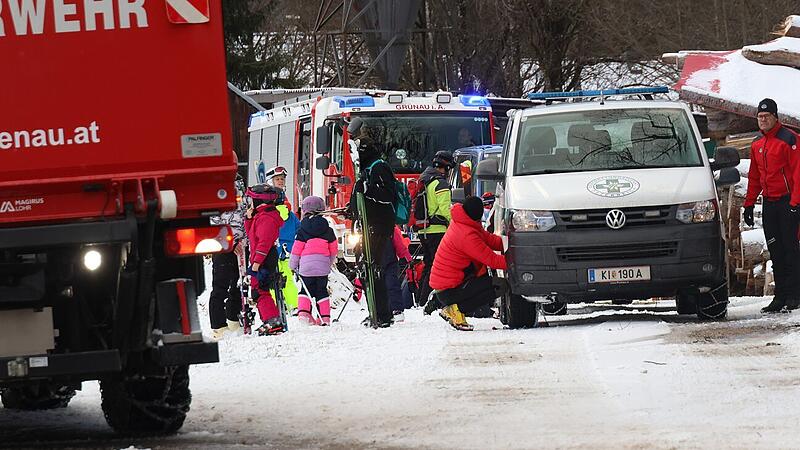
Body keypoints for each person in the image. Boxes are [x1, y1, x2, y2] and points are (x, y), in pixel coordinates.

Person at [742, 98, 800, 313]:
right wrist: (748, 204)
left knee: (791, 249)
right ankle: (780, 296)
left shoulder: (790, 139)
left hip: (788, 202)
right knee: (775, 249)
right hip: (770, 203)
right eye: (760, 117)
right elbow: (755, 176)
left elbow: (798, 172)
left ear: (776, 117)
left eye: (767, 116)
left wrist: (795, 203)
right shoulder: (757, 144)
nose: (763, 120)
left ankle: (795, 294)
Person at [430, 196, 507, 331]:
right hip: (449, 290)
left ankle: (455, 308)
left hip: (448, 285)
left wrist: (509, 244)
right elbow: (492, 260)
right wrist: (519, 262)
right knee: (500, 285)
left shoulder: (463, 222)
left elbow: (490, 240)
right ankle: (455, 310)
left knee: (489, 283)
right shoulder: (466, 235)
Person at [348, 121, 397, 327]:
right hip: (367, 224)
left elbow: (388, 196)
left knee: (375, 268)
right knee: (367, 268)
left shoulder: (379, 168)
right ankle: (376, 310)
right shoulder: (366, 170)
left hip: (378, 225)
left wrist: (368, 190)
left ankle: (383, 314)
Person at [244, 184, 287, 335]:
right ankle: (268, 319)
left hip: (264, 258)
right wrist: (249, 218)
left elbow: (264, 243)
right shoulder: (260, 216)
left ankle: (272, 320)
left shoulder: (267, 218)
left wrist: (255, 265)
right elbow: (252, 236)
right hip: (260, 257)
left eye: (251, 199)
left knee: (260, 290)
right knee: (258, 290)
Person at [208, 176, 247, 340]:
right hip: (223, 245)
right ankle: (218, 325)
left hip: (241, 246)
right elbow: (213, 220)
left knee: (239, 283)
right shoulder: (216, 191)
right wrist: (232, 243)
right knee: (221, 285)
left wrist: (244, 241)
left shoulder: (242, 188)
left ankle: (233, 318)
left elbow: (245, 217)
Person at [417, 150, 455, 314]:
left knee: (429, 265)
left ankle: (421, 300)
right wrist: (455, 225)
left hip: (424, 230)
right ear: (446, 167)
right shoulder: (440, 184)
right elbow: (446, 210)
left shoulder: (425, 179)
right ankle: (429, 300)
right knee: (437, 267)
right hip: (438, 230)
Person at [289, 196, 338, 326]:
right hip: (322, 267)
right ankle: (325, 318)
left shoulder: (302, 230)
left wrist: (293, 264)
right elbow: (333, 249)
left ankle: (304, 314)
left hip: (306, 267)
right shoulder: (328, 229)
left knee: (305, 290)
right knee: (322, 290)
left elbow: (296, 249)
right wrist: (329, 261)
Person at [266, 166, 301, 313]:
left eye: (282, 179)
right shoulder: (274, 200)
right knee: (284, 278)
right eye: (277, 179)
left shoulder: (278, 204)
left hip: (277, 247)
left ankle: (285, 305)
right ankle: (292, 305)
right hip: (284, 247)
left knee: (277, 279)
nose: (280, 181)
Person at [389, 225, 413, 322]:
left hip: (374, 260)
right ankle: (397, 310)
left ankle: (381, 310)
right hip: (389, 259)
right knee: (392, 283)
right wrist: (408, 258)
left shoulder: (366, 227)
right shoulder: (392, 228)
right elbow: (400, 245)